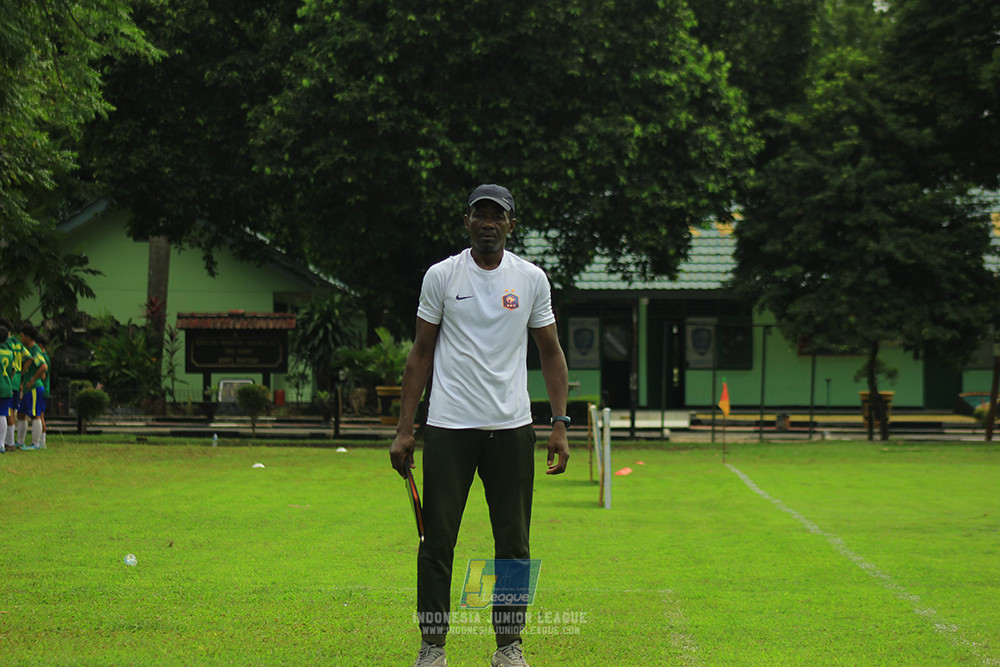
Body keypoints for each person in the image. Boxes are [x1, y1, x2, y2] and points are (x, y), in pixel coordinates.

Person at [390, 184, 570, 667]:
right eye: (480, 214)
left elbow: (551, 352)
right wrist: (406, 429)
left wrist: (559, 423)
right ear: (466, 221)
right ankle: (433, 647)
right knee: (436, 541)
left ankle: (508, 646)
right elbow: (420, 354)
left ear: (511, 224)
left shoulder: (530, 279)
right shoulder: (442, 276)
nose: (488, 223)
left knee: (513, 544)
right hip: (450, 428)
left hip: (511, 429)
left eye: (497, 215)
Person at [16, 324, 48, 450]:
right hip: (28, 388)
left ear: (28, 337)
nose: (21, 338)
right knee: (21, 414)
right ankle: (20, 441)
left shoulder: (35, 350)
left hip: (34, 387)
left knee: (35, 415)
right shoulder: (28, 350)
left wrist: (32, 380)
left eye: (22, 336)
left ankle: (36, 443)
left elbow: (43, 366)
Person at [0, 325, 14, 453]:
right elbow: (13, 371)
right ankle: (1, 444)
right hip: (7, 386)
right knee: (3, 414)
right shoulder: (10, 353)